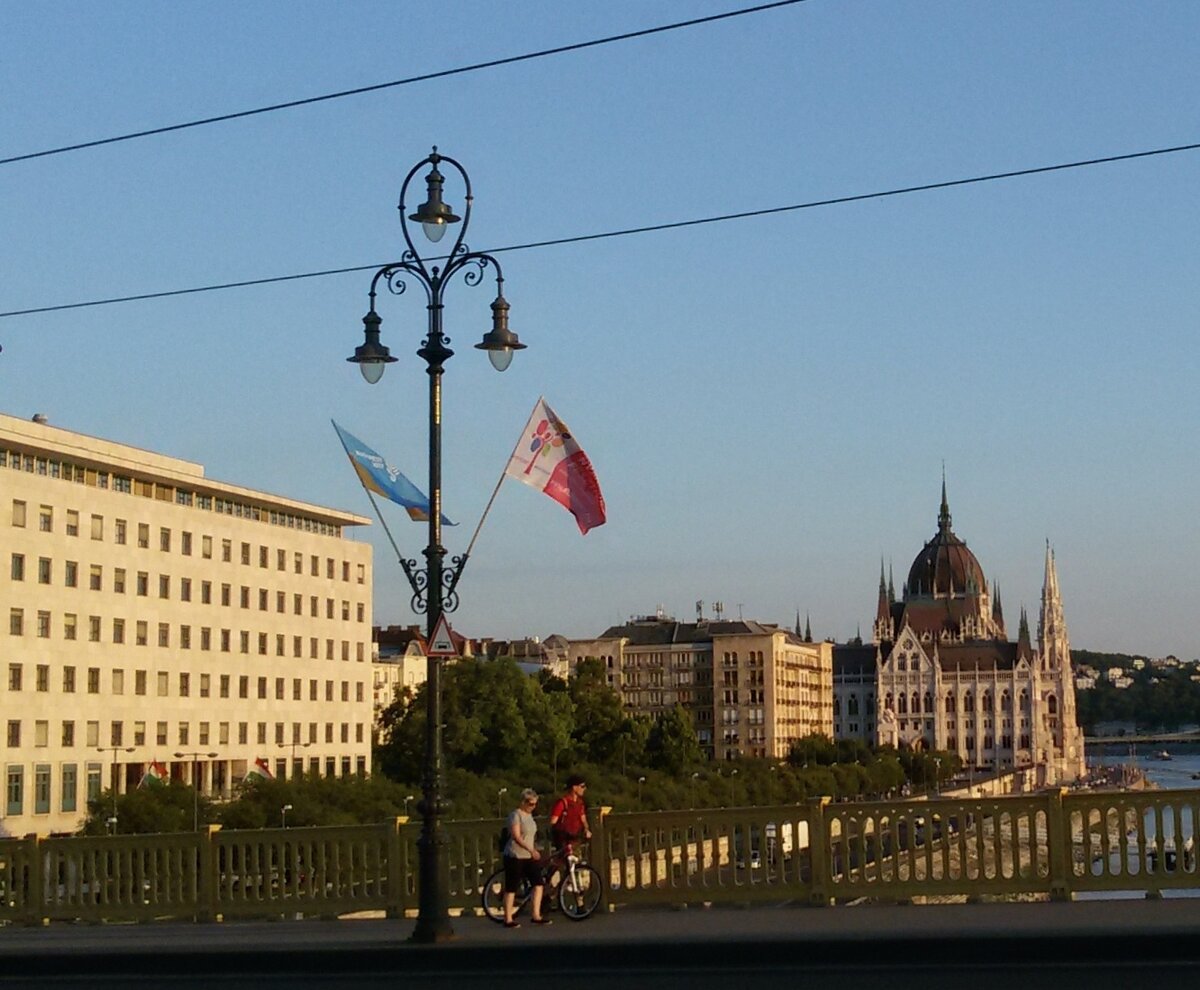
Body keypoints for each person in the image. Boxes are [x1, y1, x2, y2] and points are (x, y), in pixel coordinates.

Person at [502, 787, 551, 928]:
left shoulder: (530, 817)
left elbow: (530, 836)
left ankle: (536, 915)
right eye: (530, 804)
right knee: (512, 886)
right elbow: (516, 836)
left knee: (538, 883)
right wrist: (531, 849)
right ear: (523, 802)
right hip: (515, 854)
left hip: (529, 855)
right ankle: (508, 918)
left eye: (535, 804)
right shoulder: (515, 815)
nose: (533, 807)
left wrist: (534, 849)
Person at [548, 774, 592, 854]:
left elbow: (583, 819)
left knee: (575, 860)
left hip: (575, 838)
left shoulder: (580, 803)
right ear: (574, 787)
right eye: (582, 786)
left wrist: (586, 829)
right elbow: (553, 821)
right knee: (565, 861)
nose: (584, 789)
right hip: (564, 839)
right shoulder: (563, 802)